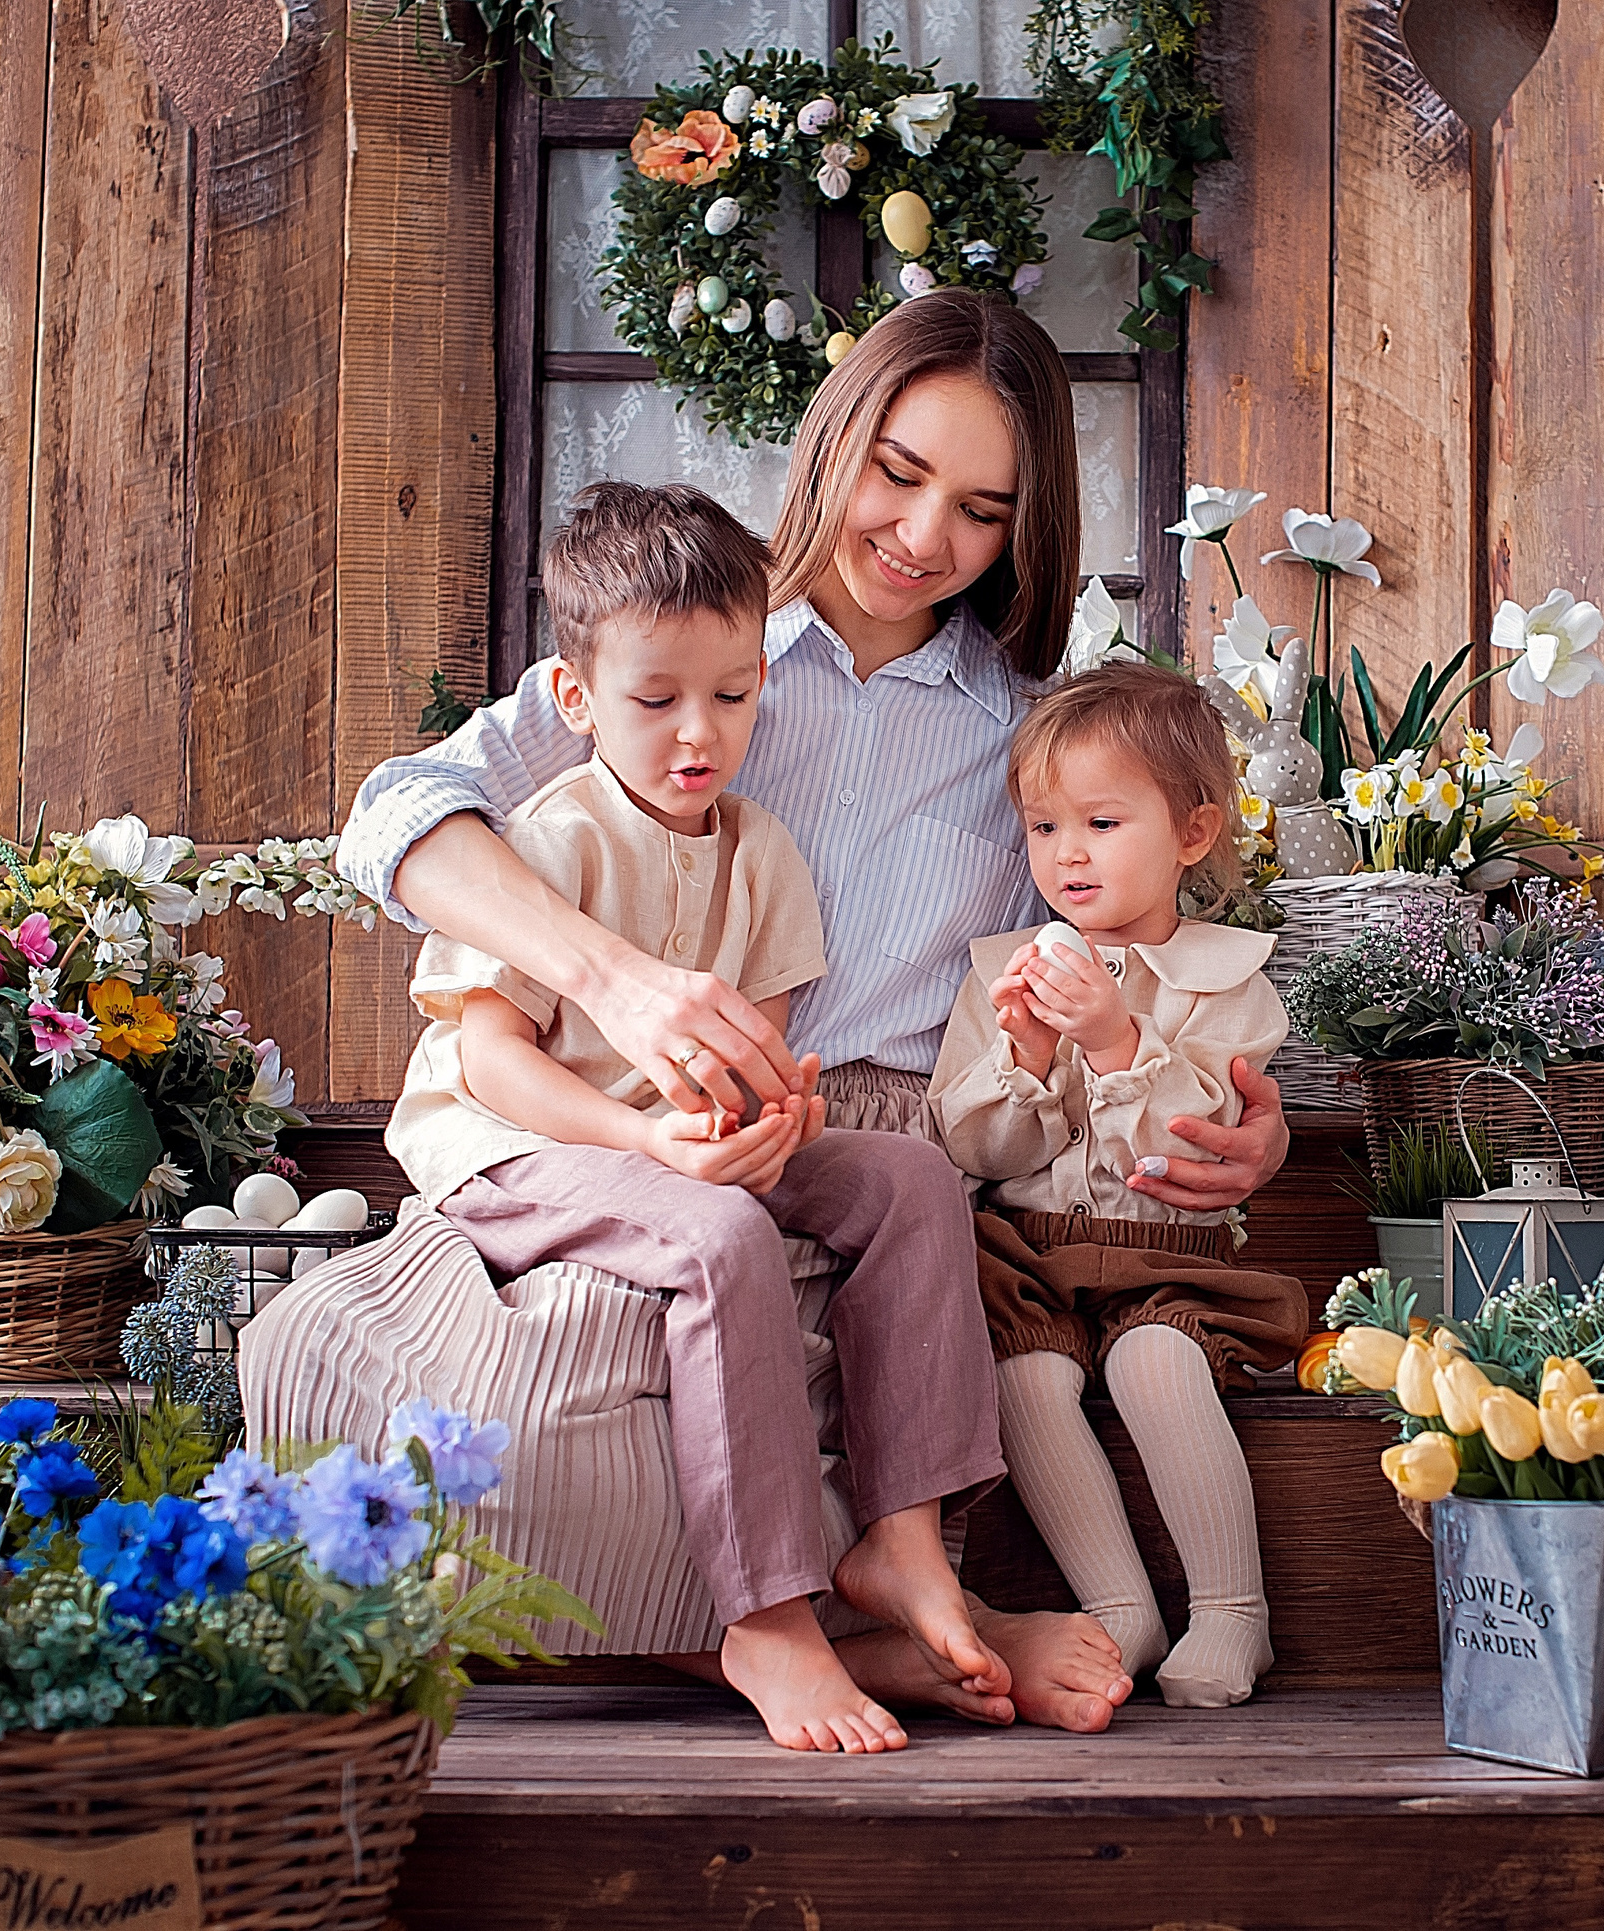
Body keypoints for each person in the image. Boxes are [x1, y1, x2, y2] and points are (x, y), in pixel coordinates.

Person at [335, 289, 1293, 1732]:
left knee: (894, 1239)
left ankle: (893, 1605)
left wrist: (1223, 1111)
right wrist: (611, 975)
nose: (922, 537)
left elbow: (1135, 942)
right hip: (636, 1111)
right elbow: (395, 815)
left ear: (1025, 528)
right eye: (896, 473)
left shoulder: (1023, 727)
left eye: (981, 508)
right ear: (834, 438)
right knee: (576, 1377)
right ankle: (886, 1639)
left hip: (906, 1136)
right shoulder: (690, 650)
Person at [389, 481, 1003, 1754]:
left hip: (674, 1150)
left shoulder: (763, 850)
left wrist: (762, 1124)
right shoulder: (544, 843)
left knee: (909, 1182)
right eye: (655, 699)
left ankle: (900, 1542)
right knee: (720, 1236)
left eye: (731, 695)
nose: (696, 732)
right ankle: (767, 1612)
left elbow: (752, 1059)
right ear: (576, 701)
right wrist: (651, 1145)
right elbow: (492, 1064)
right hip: (523, 1149)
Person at [929, 665, 1310, 1710]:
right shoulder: (999, 970)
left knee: (1151, 1362)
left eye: (1101, 819)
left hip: (1162, 1252)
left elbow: (1205, 1135)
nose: (1069, 853)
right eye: (1043, 827)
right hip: (1031, 1253)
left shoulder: (1228, 979)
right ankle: (1118, 1605)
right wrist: (1030, 1056)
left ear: (1191, 833)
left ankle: (1235, 1611)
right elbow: (980, 1146)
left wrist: (1114, 1036)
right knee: (1026, 1381)